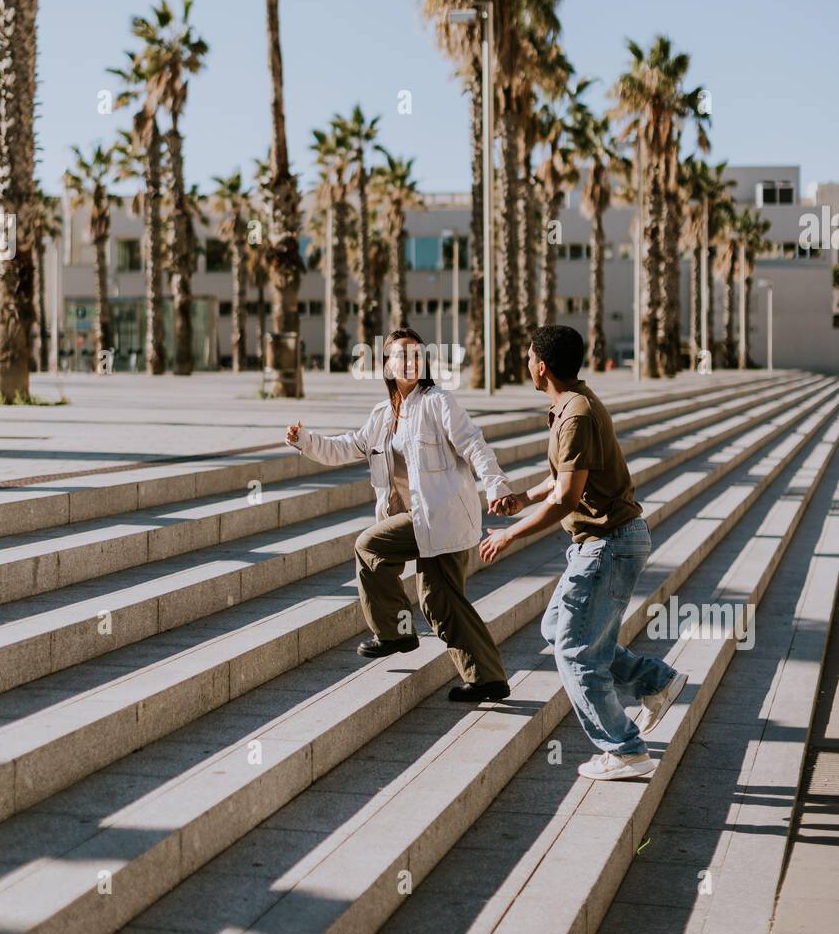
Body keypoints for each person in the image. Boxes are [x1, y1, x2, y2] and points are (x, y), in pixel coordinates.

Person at [479, 325, 688, 780]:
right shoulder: (572, 403)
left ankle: (624, 747)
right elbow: (564, 480)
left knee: (575, 650)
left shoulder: (575, 416)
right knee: (558, 628)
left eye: (529, 356)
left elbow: (568, 499)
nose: (526, 364)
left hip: (608, 545)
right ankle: (655, 681)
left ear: (541, 366)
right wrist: (522, 497)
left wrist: (509, 534)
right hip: (603, 543)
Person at [286, 327, 518, 703]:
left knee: (380, 555)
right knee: (440, 601)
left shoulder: (438, 402)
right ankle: (486, 677)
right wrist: (305, 441)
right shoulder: (383, 416)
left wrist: (496, 486)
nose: (409, 362)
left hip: (441, 521)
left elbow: (474, 445)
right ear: (387, 365)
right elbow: (347, 447)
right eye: (401, 355)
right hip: (417, 523)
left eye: (416, 355)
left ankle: (397, 634)